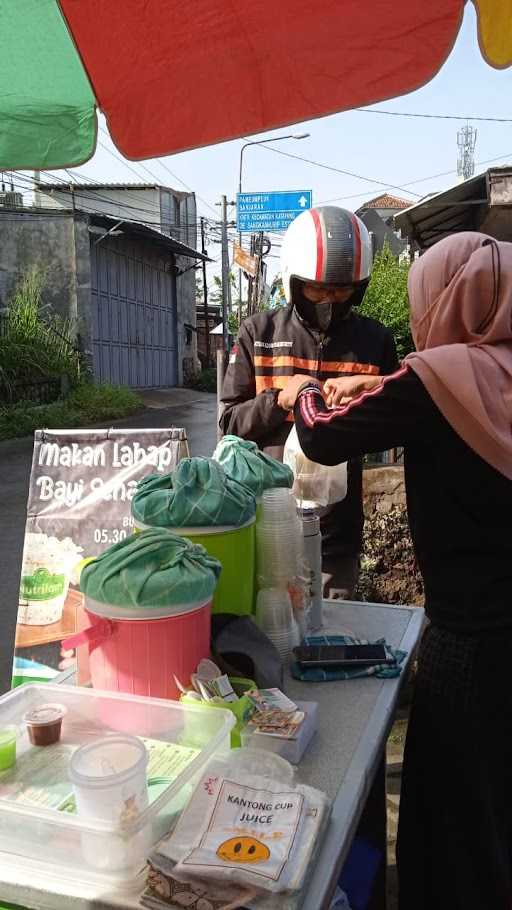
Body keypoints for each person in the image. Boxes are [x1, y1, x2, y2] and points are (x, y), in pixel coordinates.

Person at [278, 231, 512, 910]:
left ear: (444, 299)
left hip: (467, 639)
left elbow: (321, 435)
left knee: (450, 813)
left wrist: (303, 393)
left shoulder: (436, 380)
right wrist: (381, 383)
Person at [220, 205, 398, 599]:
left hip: (337, 534)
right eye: (318, 289)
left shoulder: (375, 342)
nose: (329, 300)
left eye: (341, 290)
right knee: (273, 633)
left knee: (331, 633)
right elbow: (229, 425)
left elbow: (399, 425)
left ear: (359, 286)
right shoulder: (258, 334)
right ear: (295, 283)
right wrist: (279, 399)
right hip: (266, 526)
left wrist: (369, 388)